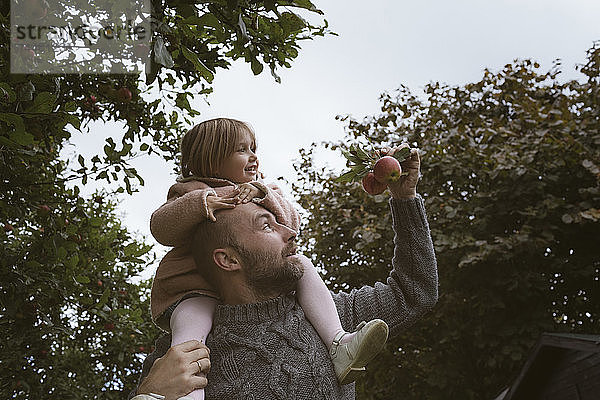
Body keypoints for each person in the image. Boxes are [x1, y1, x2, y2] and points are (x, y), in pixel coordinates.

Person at [129, 145, 438, 400]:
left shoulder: (329, 318)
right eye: (266, 225)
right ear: (228, 259)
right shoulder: (178, 357)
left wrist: (404, 198)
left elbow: (415, 293)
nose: (290, 232)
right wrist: (148, 393)